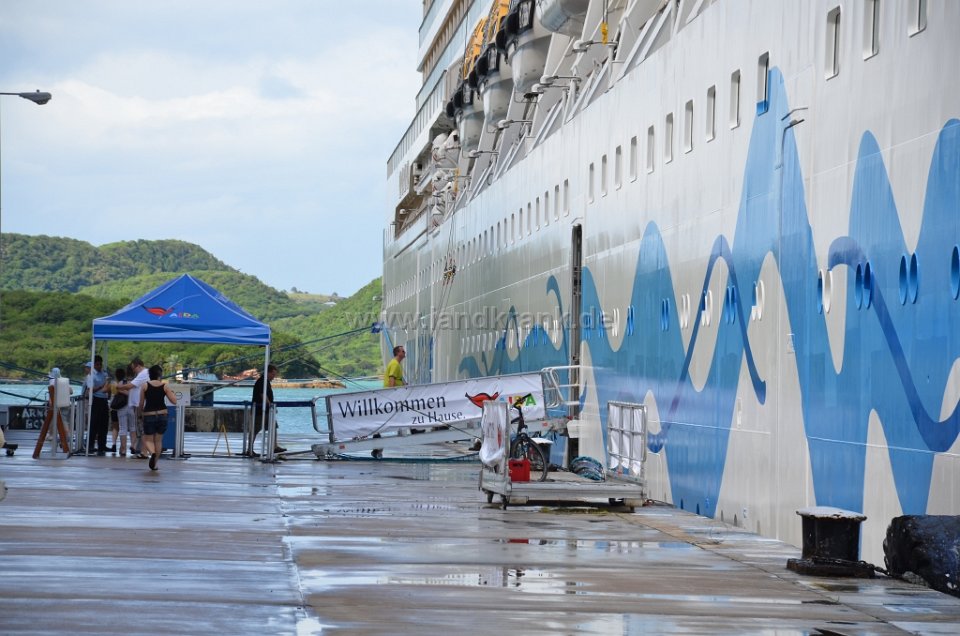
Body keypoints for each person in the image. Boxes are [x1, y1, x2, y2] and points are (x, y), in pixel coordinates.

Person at [139, 364, 177, 471]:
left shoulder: (144, 386)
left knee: (148, 440)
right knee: (158, 440)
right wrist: (171, 392)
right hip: (162, 415)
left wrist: (139, 414)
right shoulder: (165, 386)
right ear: (160, 375)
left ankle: (152, 453)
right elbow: (174, 401)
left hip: (149, 415)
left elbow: (141, 403)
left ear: (150, 375)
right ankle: (155, 464)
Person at [247, 365, 284, 456]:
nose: (273, 377)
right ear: (267, 372)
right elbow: (263, 395)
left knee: (273, 427)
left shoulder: (266, 382)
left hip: (267, 410)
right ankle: (249, 449)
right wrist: (270, 405)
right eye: (272, 374)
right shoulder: (262, 381)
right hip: (259, 411)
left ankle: (274, 446)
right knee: (255, 429)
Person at [116, 358, 148, 457]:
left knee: (140, 428)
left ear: (138, 366)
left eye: (134, 368)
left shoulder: (143, 374)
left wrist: (118, 387)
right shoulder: (141, 374)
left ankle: (142, 451)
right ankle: (138, 448)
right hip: (136, 404)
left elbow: (130, 386)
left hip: (139, 404)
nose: (133, 370)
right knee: (136, 428)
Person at [85, 356, 110, 455]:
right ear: (94, 365)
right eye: (97, 364)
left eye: (100, 364)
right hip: (96, 400)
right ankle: (90, 445)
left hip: (104, 399)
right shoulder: (91, 375)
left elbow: (107, 386)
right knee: (94, 424)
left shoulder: (104, 374)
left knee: (104, 424)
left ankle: (102, 445)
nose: (99, 366)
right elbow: (90, 389)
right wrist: (101, 386)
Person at [111, 367, 132, 456]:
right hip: (127, 406)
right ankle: (124, 447)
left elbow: (109, 392)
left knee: (117, 428)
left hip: (116, 408)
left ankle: (116, 445)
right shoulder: (130, 383)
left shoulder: (114, 384)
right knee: (130, 427)